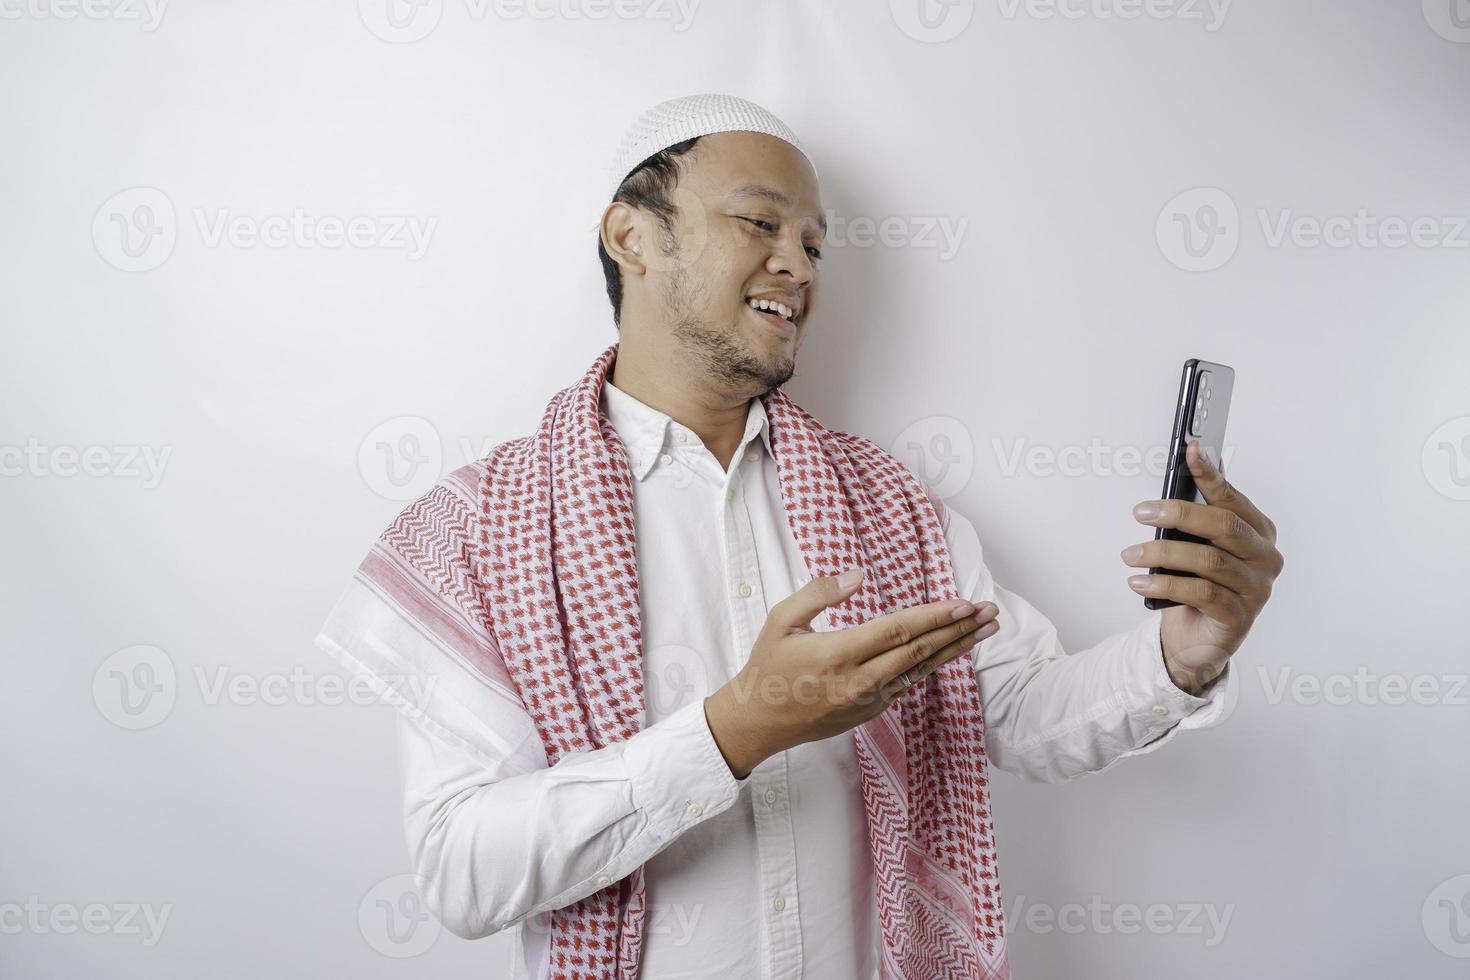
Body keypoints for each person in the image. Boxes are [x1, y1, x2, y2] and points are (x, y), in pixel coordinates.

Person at [314, 93, 1283, 980]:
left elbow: (1022, 711)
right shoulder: (482, 528)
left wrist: (1182, 655)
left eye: (815, 243)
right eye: (761, 222)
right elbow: (460, 870)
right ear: (633, 235)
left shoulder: (889, 506)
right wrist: (739, 726)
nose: (800, 265)